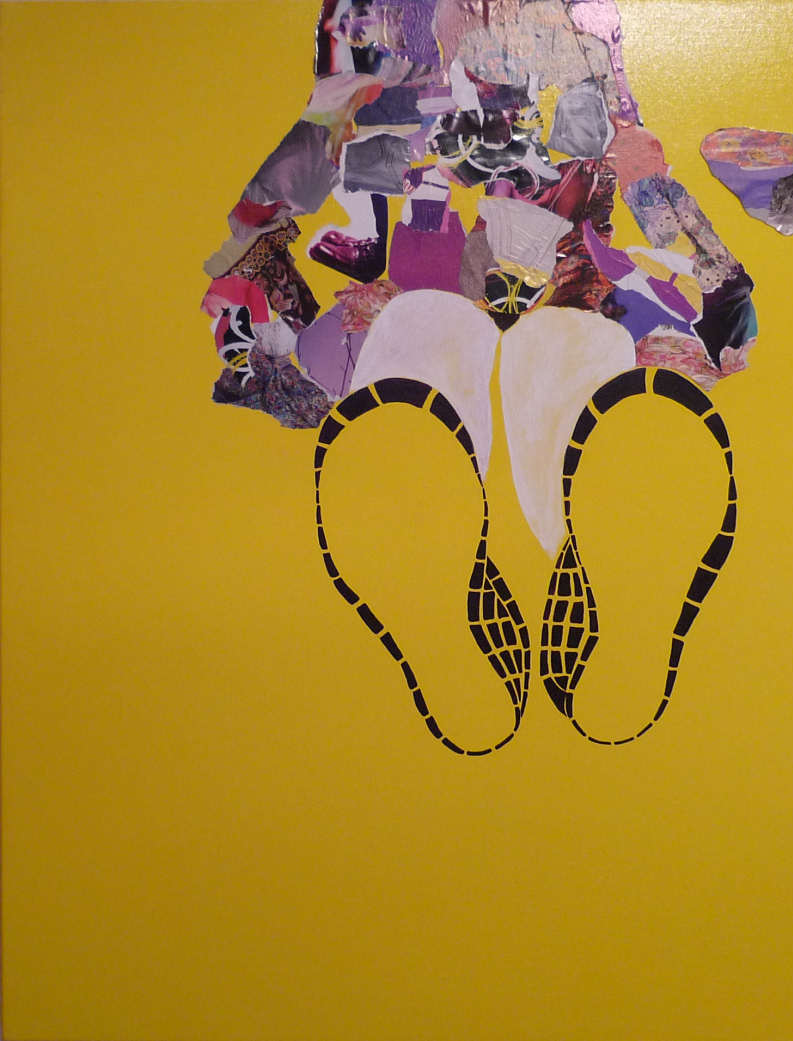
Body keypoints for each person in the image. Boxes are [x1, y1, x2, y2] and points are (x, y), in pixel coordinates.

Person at [201, 0, 755, 750]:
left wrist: (266, 333)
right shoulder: (570, 33)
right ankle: (588, 514)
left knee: (446, 341)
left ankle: (434, 495)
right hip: (530, 300)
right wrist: (715, 301)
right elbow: (639, 170)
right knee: (545, 347)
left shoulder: (383, 30)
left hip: (470, 300)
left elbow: (276, 197)